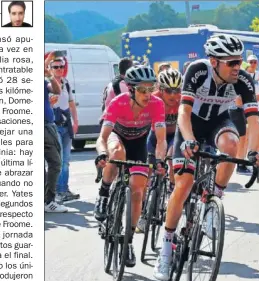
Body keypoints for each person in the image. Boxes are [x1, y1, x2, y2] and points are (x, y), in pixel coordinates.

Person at [153, 34, 259, 281]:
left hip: (217, 122)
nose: (238, 67)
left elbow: (254, 120)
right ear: (214, 61)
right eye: (232, 63)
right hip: (191, 125)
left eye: (239, 61)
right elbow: (183, 112)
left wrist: (257, 151)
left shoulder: (243, 80)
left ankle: (214, 198)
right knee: (183, 185)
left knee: (232, 144)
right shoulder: (197, 71)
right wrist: (189, 139)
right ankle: (166, 246)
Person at [94, 65, 167, 268]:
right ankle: (104, 193)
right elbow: (102, 137)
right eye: (142, 90)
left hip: (139, 143)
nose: (147, 94)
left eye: (150, 88)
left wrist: (160, 160)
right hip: (118, 136)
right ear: (131, 89)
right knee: (116, 152)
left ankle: (127, 241)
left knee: (138, 191)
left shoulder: (157, 104)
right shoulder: (119, 102)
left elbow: (161, 141)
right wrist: (101, 153)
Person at [136, 68, 183, 233]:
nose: (173, 95)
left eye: (177, 90)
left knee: (172, 157)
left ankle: (171, 193)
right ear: (160, 89)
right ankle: (142, 213)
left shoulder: (183, 100)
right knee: (145, 176)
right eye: (169, 90)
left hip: (173, 137)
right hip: (153, 136)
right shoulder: (152, 99)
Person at [48, 57, 80, 203]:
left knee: (66, 160)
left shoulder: (66, 83)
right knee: (58, 160)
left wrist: (75, 120)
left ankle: (64, 189)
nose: (59, 69)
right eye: (55, 67)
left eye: (61, 66)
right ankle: (57, 192)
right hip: (54, 125)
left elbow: (71, 103)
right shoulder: (47, 84)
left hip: (66, 125)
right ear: (49, 69)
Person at [234, 55, 259, 175]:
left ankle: (242, 162)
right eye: (247, 67)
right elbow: (237, 101)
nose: (250, 69)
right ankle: (239, 163)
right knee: (242, 138)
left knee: (247, 137)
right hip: (236, 110)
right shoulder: (236, 79)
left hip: (246, 110)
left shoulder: (249, 79)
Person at [45, 54, 68, 213]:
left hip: (48, 125)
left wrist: (48, 75)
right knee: (55, 162)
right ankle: (49, 201)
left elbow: (56, 90)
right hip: (45, 126)